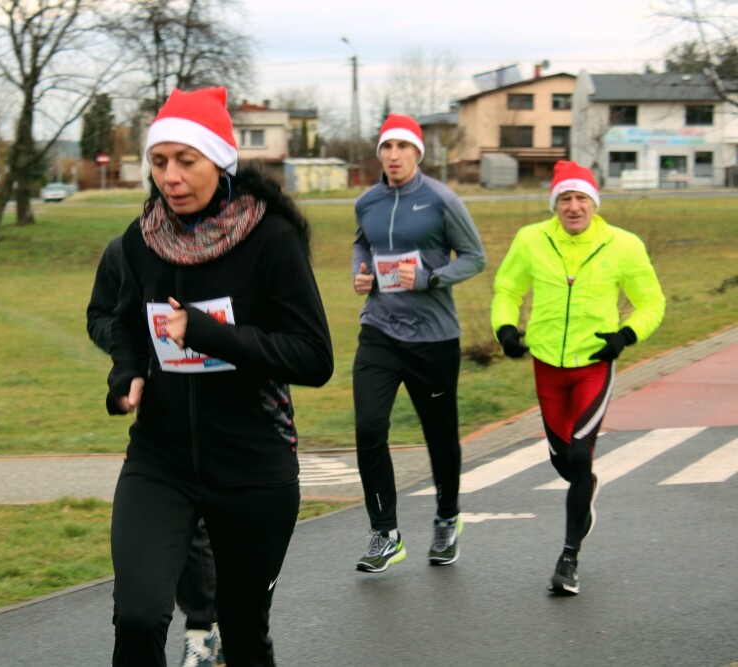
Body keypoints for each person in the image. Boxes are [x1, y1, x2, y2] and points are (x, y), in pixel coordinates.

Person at [106, 86, 334, 666]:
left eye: (187, 161)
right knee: (136, 616)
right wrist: (126, 371)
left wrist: (208, 333)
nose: (171, 178)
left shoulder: (270, 238)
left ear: (220, 162)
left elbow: (314, 357)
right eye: (159, 162)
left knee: (243, 632)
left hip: (253, 463)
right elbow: (128, 321)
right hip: (161, 459)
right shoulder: (142, 240)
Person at [491, 160, 665, 595]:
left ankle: (568, 558)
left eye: (581, 198)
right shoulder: (531, 239)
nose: (573, 207)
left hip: (593, 365)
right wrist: (506, 329)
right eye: (565, 199)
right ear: (555, 204)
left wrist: (626, 335)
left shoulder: (622, 245)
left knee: (580, 453)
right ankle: (584, 486)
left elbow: (652, 302)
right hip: (546, 364)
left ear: (594, 203)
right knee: (564, 462)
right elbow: (507, 290)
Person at [351, 113, 487, 573]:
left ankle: (447, 518)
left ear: (417, 153)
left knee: (439, 436)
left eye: (402, 148)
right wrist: (361, 272)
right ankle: (384, 532)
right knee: (369, 428)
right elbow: (360, 244)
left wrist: (431, 277)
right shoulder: (366, 202)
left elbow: (475, 258)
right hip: (379, 331)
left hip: (433, 338)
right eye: (386, 148)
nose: (393, 156)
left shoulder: (441, 199)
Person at [87, 235, 223, 667]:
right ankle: (204, 627)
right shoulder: (124, 249)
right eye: (160, 166)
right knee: (176, 530)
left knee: (200, 525)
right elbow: (102, 316)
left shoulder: (221, 250)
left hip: (222, 411)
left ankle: (206, 628)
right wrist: (134, 353)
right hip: (158, 417)